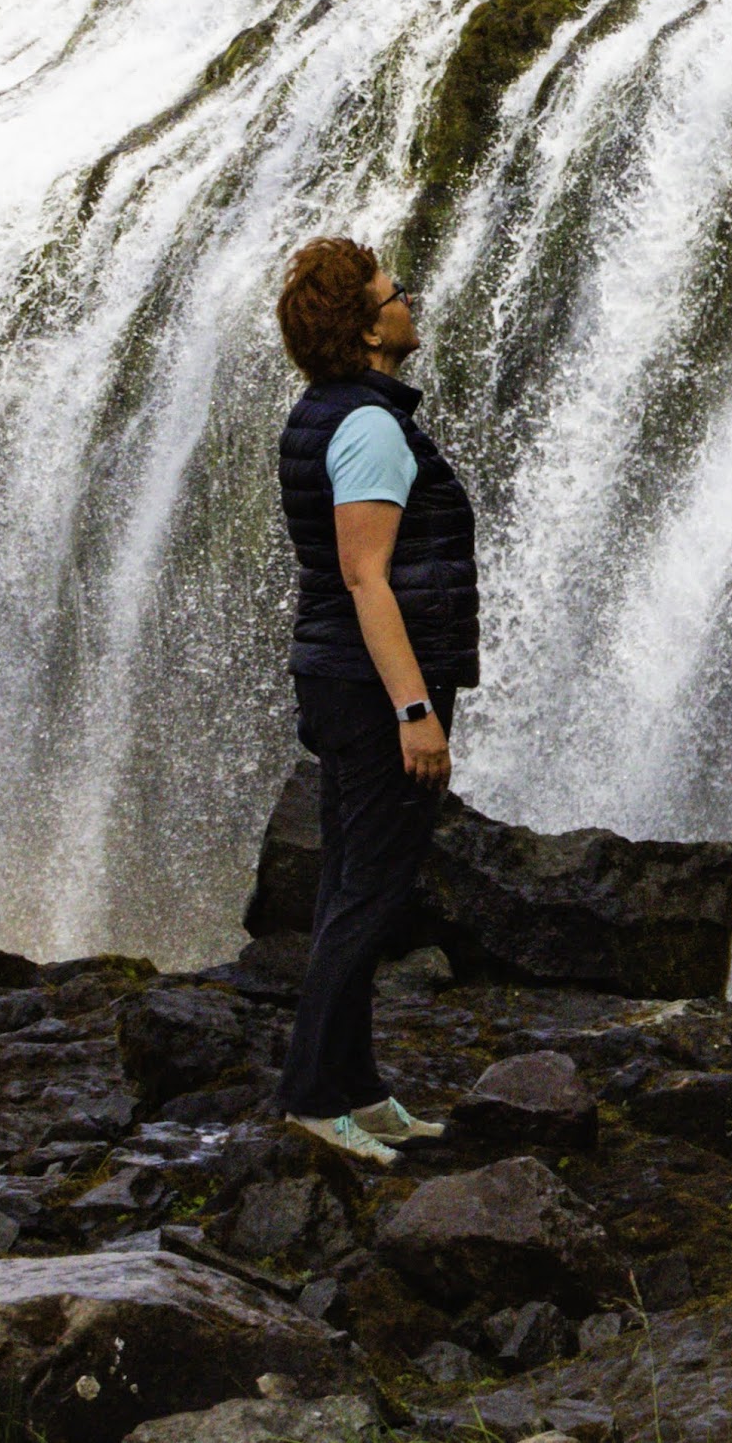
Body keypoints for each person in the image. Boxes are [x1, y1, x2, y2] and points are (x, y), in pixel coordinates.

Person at [269, 235, 481, 1167]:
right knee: (369, 889)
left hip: (341, 676)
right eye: (397, 291)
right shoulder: (367, 426)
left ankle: (356, 1084)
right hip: (372, 686)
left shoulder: (329, 412)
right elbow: (367, 578)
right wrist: (414, 710)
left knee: (354, 879)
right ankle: (314, 1096)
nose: (410, 299)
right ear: (368, 329)